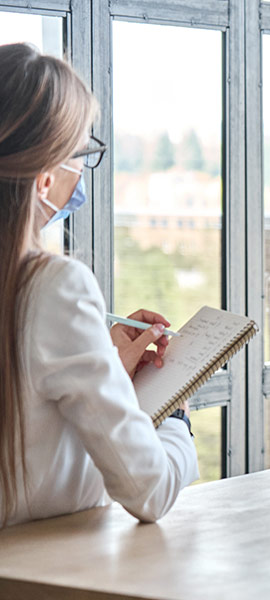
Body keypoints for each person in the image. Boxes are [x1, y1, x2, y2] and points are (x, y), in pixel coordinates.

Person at [0, 43, 198, 528]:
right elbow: (148, 489)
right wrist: (173, 412)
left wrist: (103, 364)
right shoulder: (54, 286)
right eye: (79, 154)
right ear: (44, 180)